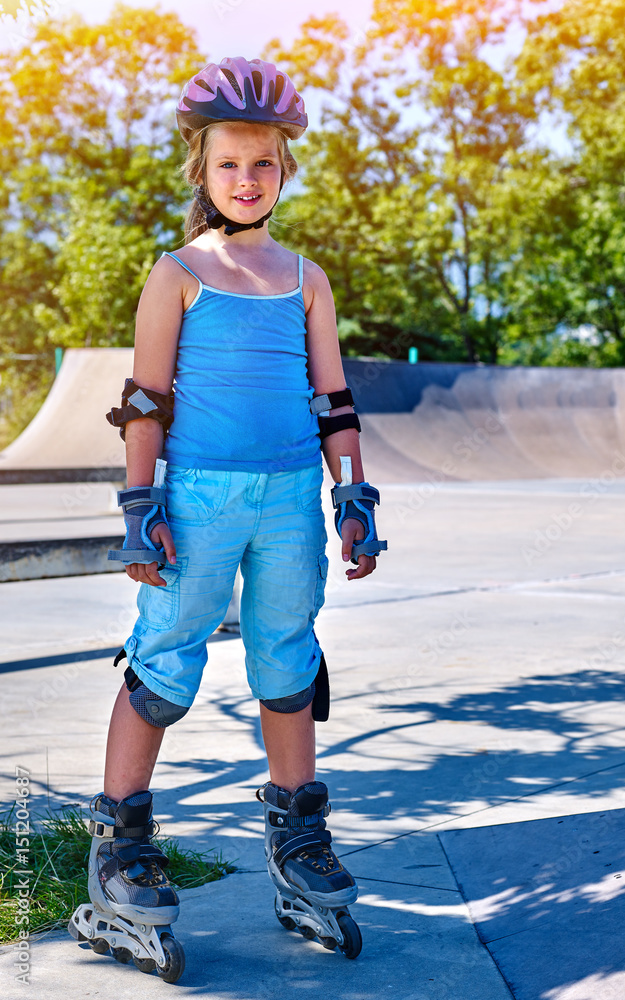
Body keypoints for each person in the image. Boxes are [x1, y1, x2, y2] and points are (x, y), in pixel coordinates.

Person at [69, 57, 384, 979]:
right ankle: (120, 848)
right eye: (229, 165)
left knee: (288, 656)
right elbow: (145, 401)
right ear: (201, 173)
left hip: (289, 499)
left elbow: (333, 401)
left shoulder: (306, 278)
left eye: (263, 164)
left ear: (285, 170)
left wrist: (351, 497)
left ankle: (299, 838)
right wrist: (140, 507)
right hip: (199, 497)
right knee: (166, 657)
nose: (247, 179)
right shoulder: (177, 273)